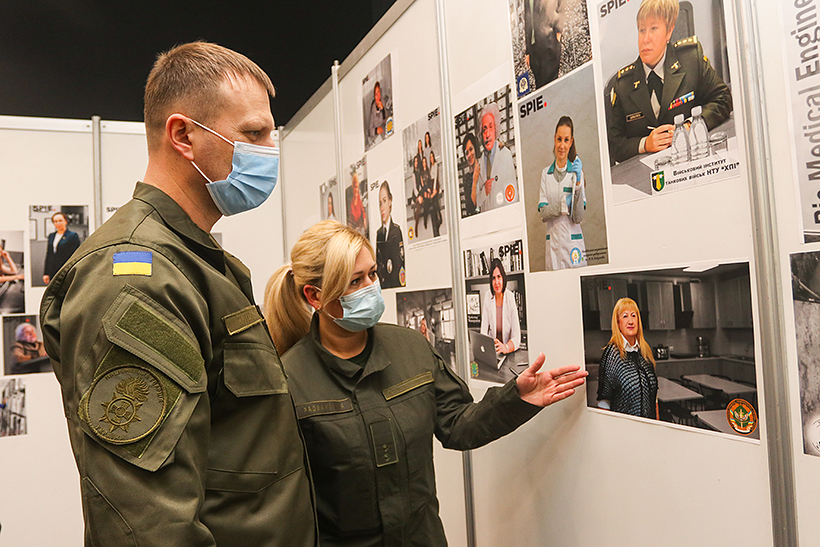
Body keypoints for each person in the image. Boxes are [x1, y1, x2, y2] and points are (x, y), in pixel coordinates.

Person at [39, 42, 317, 546]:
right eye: (254, 134)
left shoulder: (197, 259)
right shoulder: (136, 276)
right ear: (183, 135)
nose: (269, 151)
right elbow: (147, 523)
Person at [263, 220, 587, 545]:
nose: (371, 287)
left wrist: (516, 398)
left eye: (373, 274)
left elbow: (457, 423)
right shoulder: (288, 380)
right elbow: (281, 505)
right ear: (315, 296)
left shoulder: (411, 348)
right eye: (355, 281)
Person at [607, 0, 732, 163]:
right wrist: (645, 144)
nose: (645, 39)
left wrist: (690, 126)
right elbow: (615, 144)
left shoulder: (690, 59)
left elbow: (723, 98)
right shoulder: (623, 84)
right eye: (642, 30)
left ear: (669, 31)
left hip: (695, 159)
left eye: (653, 29)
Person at [538, 116, 587, 270]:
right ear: (554, 139)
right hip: (553, 246)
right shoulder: (546, 174)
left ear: (571, 142)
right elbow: (543, 213)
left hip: (574, 248)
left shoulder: (577, 174)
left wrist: (577, 184)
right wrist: (564, 205)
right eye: (559, 139)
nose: (562, 145)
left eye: (566, 140)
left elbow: (578, 217)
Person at [597, 298, 658, 419]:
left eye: (633, 315)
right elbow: (604, 401)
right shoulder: (612, 354)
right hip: (623, 427)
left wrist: (657, 424)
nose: (630, 321)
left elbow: (654, 397)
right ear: (618, 322)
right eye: (625, 316)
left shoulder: (645, 351)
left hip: (648, 426)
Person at [476, 102, 518, 212]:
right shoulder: (479, 163)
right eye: (484, 129)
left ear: (496, 130)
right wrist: (484, 191)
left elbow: (513, 193)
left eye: (491, 127)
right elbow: (476, 201)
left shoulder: (505, 155)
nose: (487, 134)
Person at [480, 258, 521, 355]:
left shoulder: (510, 297)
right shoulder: (488, 296)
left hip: (507, 351)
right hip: (492, 351)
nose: (496, 282)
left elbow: (517, 337)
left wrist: (505, 348)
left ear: (503, 278)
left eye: (499, 277)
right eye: (493, 278)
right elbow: (483, 331)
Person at [375, 181, 405, 288]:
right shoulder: (379, 234)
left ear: (390, 201)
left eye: (384, 201)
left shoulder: (396, 232)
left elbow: (399, 265)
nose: (382, 207)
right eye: (380, 203)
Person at [43, 211, 81, 284]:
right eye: (55, 221)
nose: (58, 223)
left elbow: (75, 255)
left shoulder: (72, 236)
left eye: (60, 220)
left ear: (65, 221)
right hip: (53, 270)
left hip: (66, 270)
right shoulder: (51, 236)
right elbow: (49, 255)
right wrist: (46, 273)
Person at [461, 132, 480, 216]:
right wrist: (474, 181)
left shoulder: (484, 164)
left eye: (471, 149)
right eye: (466, 153)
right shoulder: (467, 178)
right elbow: (470, 208)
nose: (469, 155)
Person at [367, 81, 391, 147]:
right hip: (376, 137)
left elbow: (387, 120)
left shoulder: (383, 102)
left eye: (378, 92)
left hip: (384, 132)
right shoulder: (373, 109)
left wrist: (383, 110)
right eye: (375, 94)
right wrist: (376, 130)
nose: (377, 96)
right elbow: (370, 131)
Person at [347, 172, 368, 237]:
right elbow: (350, 215)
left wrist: (364, 221)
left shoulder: (359, 198)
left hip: (360, 226)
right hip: (354, 227)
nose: (356, 189)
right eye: (354, 187)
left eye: (357, 187)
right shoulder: (351, 200)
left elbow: (362, 211)